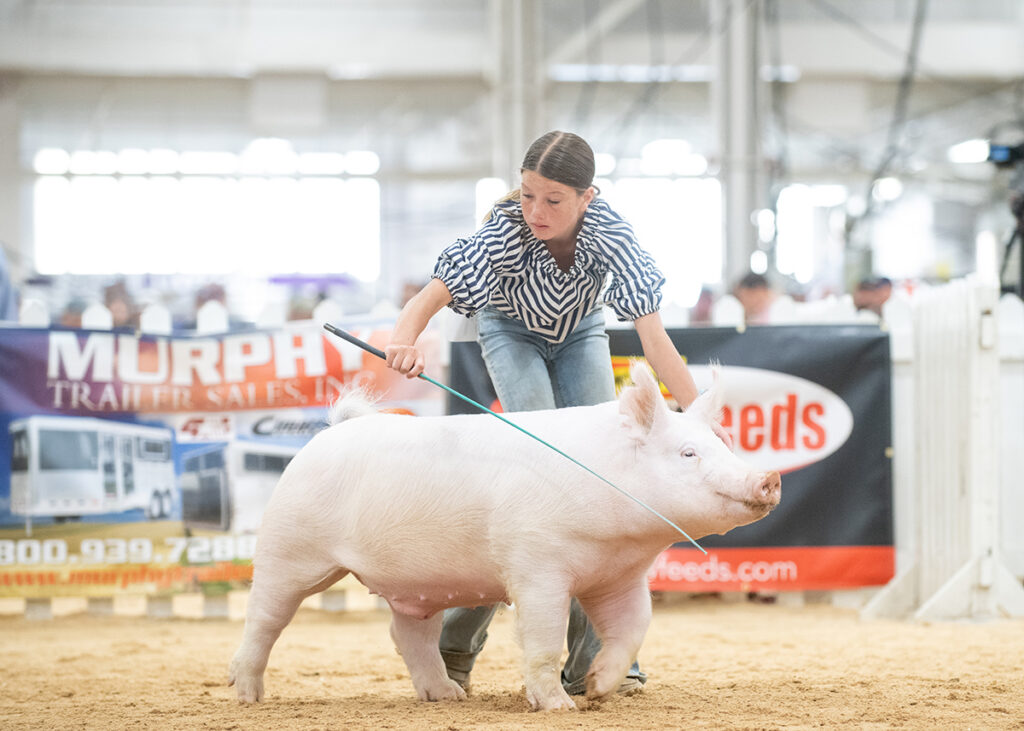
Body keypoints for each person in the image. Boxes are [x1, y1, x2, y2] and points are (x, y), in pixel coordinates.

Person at [384, 130, 730, 698]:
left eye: (553, 200)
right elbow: (428, 299)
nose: (535, 211)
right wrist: (403, 341)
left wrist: (697, 418)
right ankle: (453, 650)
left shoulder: (613, 235)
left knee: (602, 473)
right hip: (507, 329)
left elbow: (655, 340)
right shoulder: (502, 230)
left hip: (581, 331)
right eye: (527, 195)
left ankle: (597, 664)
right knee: (543, 479)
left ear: (587, 197)